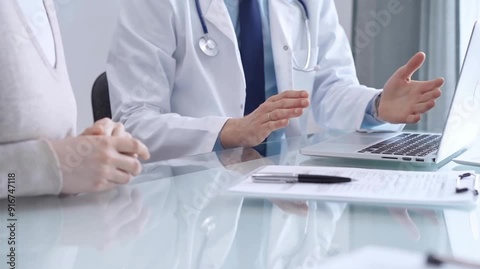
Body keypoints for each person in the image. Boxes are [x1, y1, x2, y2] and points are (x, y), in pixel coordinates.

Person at [107, 0, 444, 160]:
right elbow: (134, 122)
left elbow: (328, 88)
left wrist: (378, 105)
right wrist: (228, 131)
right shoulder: (154, 4)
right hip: (189, 190)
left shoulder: (307, 4)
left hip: (284, 183)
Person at [0, 0, 150, 198]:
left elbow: (34, 135)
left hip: (51, 225)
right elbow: (50, 165)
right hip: (13, 229)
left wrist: (88, 149)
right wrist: (55, 165)